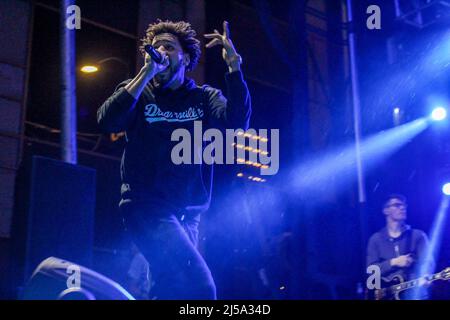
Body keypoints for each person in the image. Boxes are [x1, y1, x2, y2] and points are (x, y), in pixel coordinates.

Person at [97, 19, 251, 299]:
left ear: (186, 57)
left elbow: (237, 121)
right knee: (201, 288)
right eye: (155, 47)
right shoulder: (138, 92)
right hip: (146, 206)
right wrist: (144, 74)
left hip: (188, 214)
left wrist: (234, 68)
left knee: (171, 291)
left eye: (168, 46)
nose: (160, 51)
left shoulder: (203, 98)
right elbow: (107, 121)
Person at [366, 194, 434, 300]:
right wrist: (394, 262)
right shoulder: (376, 239)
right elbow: (371, 270)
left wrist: (426, 276)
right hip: (387, 295)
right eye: (397, 205)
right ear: (386, 210)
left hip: (414, 293)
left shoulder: (418, 236)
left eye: (403, 205)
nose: (402, 208)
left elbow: (428, 262)